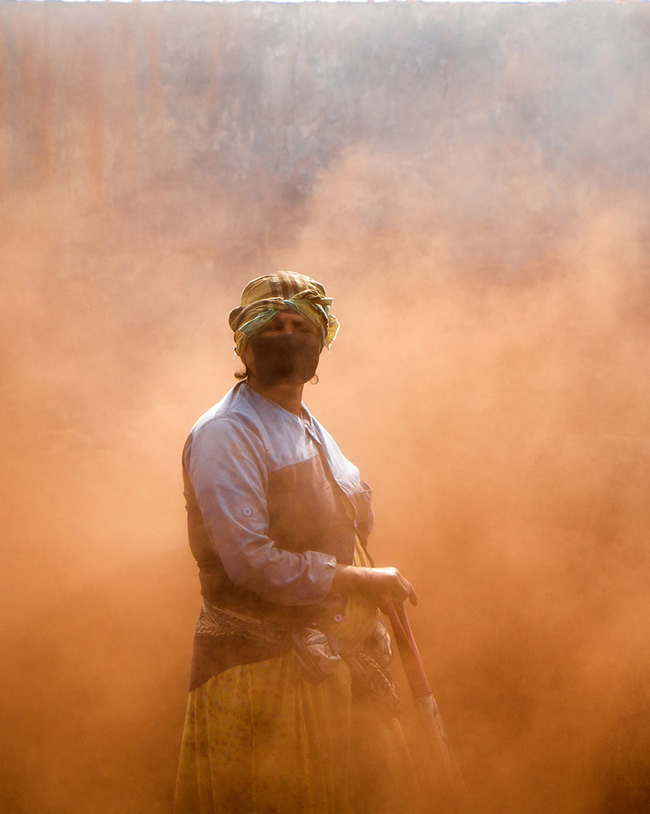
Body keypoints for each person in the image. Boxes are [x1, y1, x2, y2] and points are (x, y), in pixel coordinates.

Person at [174, 271, 426, 814]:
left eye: (300, 326)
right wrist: (360, 578)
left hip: (332, 663)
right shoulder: (227, 432)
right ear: (243, 343)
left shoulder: (309, 425)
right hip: (264, 676)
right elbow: (250, 563)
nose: (287, 337)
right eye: (272, 326)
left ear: (322, 341)